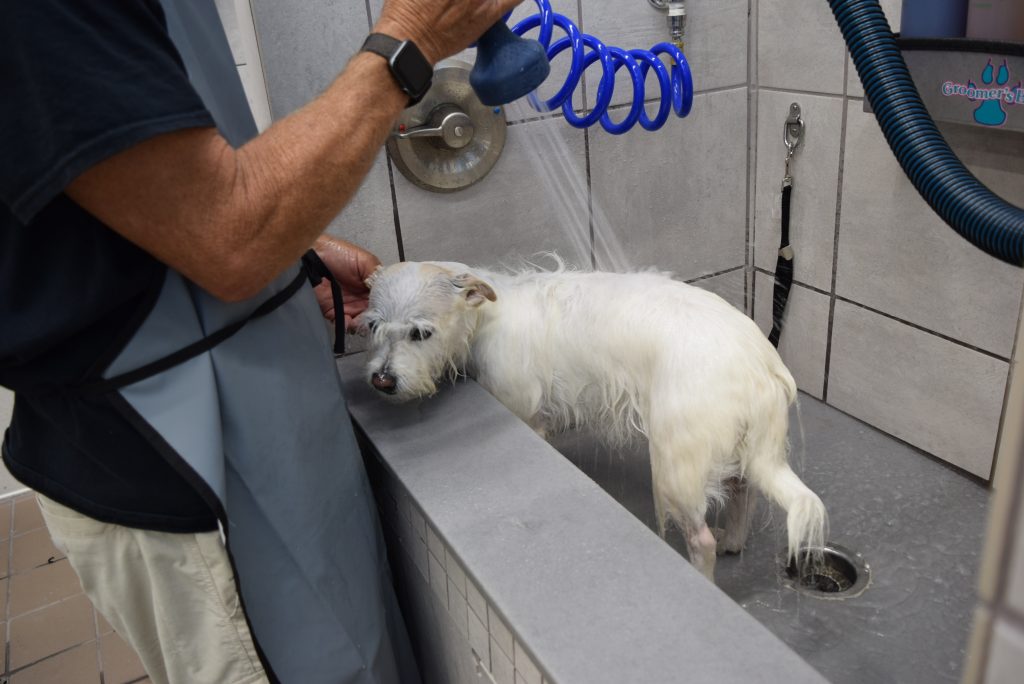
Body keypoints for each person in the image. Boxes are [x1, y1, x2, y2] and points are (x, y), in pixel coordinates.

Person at [0, 0, 522, 682]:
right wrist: (412, 43)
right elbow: (226, 235)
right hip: (170, 455)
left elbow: (156, 187)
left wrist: (291, 257)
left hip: (256, 408)